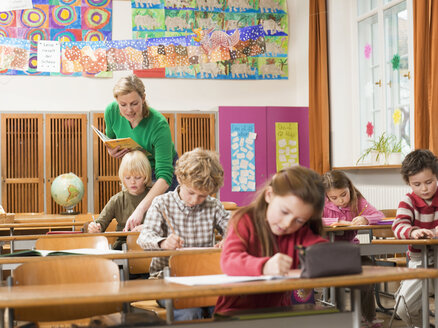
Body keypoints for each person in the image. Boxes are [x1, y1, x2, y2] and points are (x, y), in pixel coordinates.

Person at [215, 165, 327, 315]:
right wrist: (264, 266)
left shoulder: (299, 232)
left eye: (299, 220)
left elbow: (325, 252)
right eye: (284, 211)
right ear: (269, 195)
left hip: (278, 312)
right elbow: (229, 260)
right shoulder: (244, 220)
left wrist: (319, 263)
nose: (288, 224)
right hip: (235, 313)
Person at [137, 148, 230, 321]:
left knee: (225, 309)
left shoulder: (213, 206)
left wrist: (228, 240)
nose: (195, 200)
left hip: (205, 280)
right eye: (191, 193)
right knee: (189, 311)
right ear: (179, 178)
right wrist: (163, 242)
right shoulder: (161, 203)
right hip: (167, 281)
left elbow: (235, 229)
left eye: (202, 196)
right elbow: (144, 237)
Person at [104, 74, 178, 232]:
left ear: (143, 98)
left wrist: (141, 208)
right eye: (122, 105)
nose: (128, 110)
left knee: (160, 221)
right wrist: (112, 151)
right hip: (136, 168)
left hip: (161, 171)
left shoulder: (158, 125)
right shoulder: (111, 112)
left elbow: (165, 176)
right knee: (134, 221)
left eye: (134, 103)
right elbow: (110, 140)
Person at [322, 170, 384, 328]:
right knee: (336, 271)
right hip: (327, 253)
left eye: (344, 194)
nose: (341, 201)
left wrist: (365, 218)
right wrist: (336, 221)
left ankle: (368, 317)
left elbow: (379, 216)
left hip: (351, 251)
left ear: (349, 188)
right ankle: (337, 315)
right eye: (334, 198)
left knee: (368, 268)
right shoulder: (321, 202)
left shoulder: (358, 201)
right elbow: (312, 218)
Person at [392, 149, 438, 327]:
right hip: (419, 259)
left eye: (429, 182)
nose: (424, 188)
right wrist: (412, 232)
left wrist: (434, 232)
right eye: (417, 184)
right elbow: (398, 226)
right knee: (403, 307)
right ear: (408, 183)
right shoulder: (408, 201)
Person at [88, 150, 152, 249]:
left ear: (146, 176)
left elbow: (165, 226)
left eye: (138, 177)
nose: (132, 182)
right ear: (122, 177)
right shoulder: (117, 200)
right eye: (127, 178)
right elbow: (101, 223)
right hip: (122, 247)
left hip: (148, 245)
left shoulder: (154, 198)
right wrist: (95, 227)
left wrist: (147, 227)